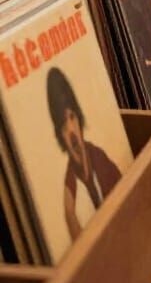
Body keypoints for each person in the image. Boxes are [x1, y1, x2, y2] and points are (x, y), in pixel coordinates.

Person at [48, 67, 122, 241]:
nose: (71, 131)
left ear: (79, 119)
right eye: (64, 127)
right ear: (61, 136)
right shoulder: (70, 180)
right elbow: (69, 213)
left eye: (72, 118)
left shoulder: (98, 156)